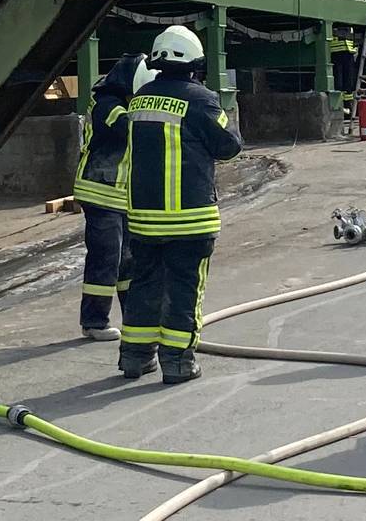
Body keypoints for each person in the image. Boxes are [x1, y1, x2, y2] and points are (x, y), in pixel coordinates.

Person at [115, 26, 243, 385]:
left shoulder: (139, 99)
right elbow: (229, 147)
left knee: (144, 286)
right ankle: (178, 362)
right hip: (190, 220)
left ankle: (135, 357)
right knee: (185, 290)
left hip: (143, 221)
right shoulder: (200, 99)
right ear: (193, 62)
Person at [70, 51, 155, 340]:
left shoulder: (126, 103)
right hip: (100, 193)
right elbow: (129, 128)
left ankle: (134, 317)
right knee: (105, 258)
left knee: (128, 261)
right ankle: (94, 322)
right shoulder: (106, 104)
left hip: (123, 197)